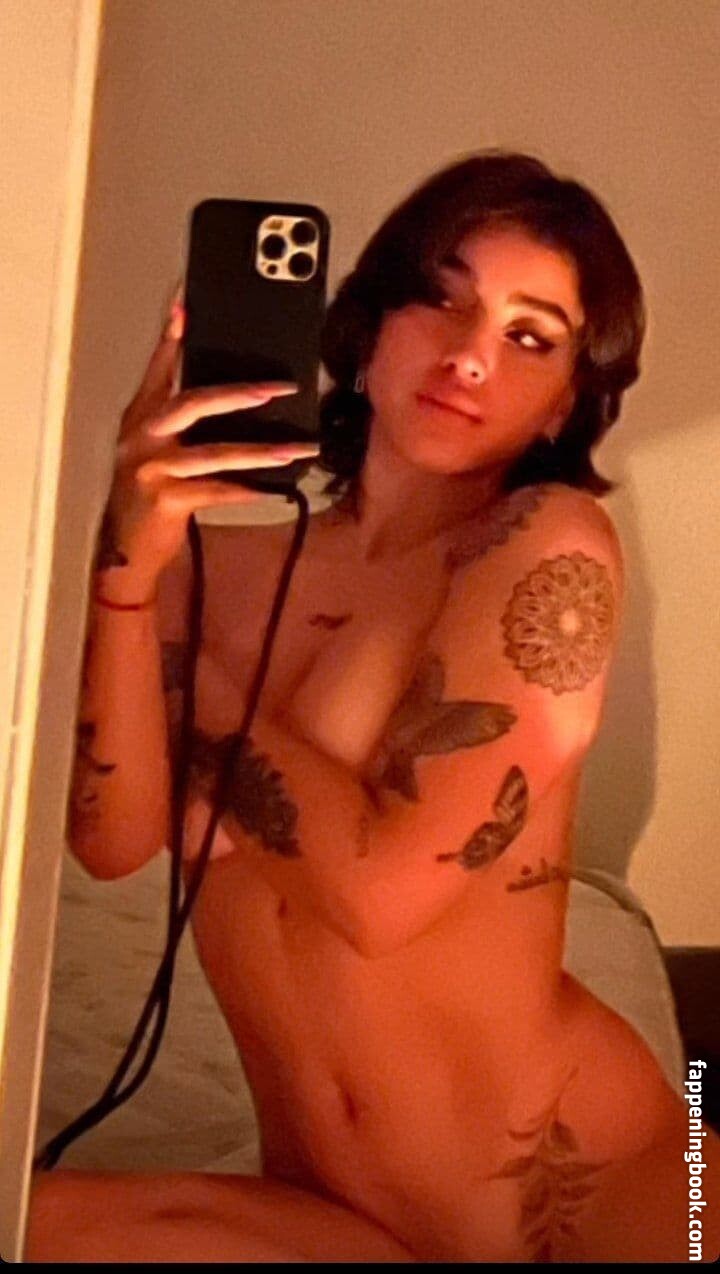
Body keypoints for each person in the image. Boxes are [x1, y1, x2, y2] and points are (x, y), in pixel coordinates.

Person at [26, 151, 720, 1262]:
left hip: (611, 1208)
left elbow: (380, 894)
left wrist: (182, 646)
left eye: (530, 336)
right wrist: (128, 569)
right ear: (369, 323)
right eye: (440, 298)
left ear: (567, 400)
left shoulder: (543, 548)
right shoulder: (202, 571)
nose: (469, 354)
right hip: (339, 1215)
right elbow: (111, 842)